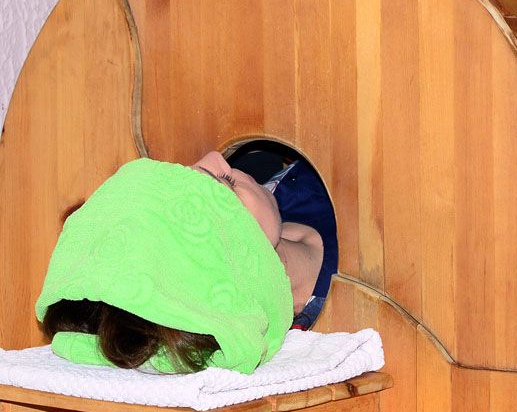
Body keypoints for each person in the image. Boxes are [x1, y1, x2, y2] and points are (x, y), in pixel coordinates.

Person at [36, 150, 336, 374]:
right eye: (225, 182)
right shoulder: (326, 333)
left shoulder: (290, 181)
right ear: (241, 255)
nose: (216, 155)